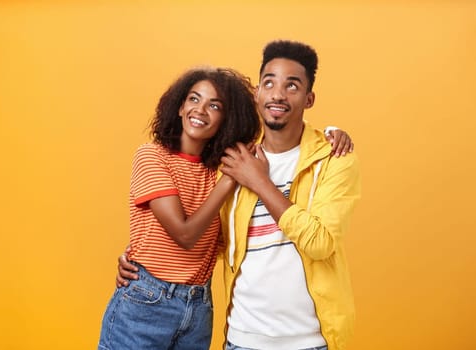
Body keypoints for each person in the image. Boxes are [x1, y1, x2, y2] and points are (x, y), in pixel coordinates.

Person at [117, 40, 360, 350]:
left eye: (292, 86)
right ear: (257, 93)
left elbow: (320, 243)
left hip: (309, 340)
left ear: (309, 98)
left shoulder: (333, 157)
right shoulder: (230, 160)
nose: (277, 94)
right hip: (242, 338)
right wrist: (139, 258)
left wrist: (260, 182)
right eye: (269, 83)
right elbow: (202, 235)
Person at [98, 67, 261, 350]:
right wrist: (229, 182)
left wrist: (332, 136)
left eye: (214, 105)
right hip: (145, 303)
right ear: (180, 106)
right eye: (194, 99)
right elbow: (184, 235)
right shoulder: (152, 156)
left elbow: (279, 133)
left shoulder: (219, 170)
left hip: (198, 307)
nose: (200, 110)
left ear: (227, 118)